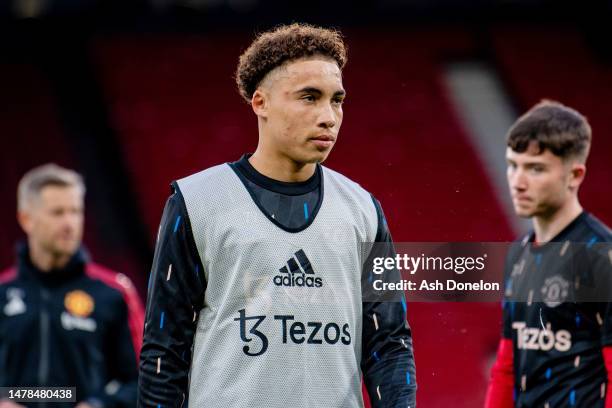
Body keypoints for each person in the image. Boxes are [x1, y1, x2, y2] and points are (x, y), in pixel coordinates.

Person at [138, 23, 416, 408]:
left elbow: (388, 341)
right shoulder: (197, 201)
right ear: (260, 103)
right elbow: (164, 351)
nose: (329, 117)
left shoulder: (363, 209)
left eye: (337, 100)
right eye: (309, 97)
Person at [485, 101, 612, 407]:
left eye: (536, 168)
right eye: (513, 164)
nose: (518, 181)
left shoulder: (601, 258)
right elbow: (507, 367)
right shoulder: (519, 254)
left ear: (575, 175)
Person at [0, 164, 144, 408]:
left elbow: (145, 380)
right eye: (57, 213)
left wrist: (98, 405)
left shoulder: (113, 293)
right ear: (26, 219)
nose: (69, 223)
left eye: (75, 212)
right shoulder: (3, 293)